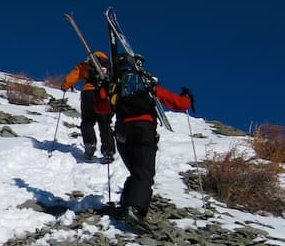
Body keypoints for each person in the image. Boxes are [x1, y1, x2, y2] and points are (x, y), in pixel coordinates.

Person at [114, 66, 194, 229]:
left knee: (136, 172)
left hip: (122, 132)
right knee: (144, 173)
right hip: (143, 130)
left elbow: (103, 105)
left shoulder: (119, 89)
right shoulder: (150, 89)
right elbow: (180, 104)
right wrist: (187, 98)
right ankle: (135, 210)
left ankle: (126, 206)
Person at [60, 50, 115, 162]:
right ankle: (108, 151)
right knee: (104, 123)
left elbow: (76, 73)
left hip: (88, 93)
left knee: (87, 121)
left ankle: (90, 143)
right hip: (103, 95)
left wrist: (65, 85)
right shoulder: (109, 66)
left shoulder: (86, 64)